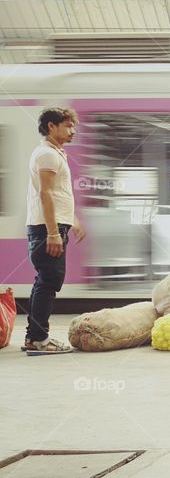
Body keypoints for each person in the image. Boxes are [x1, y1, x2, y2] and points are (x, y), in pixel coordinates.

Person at [22, 108, 86, 354]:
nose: (73, 131)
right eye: (68, 126)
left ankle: (34, 337)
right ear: (52, 126)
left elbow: (57, 194)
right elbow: (45, 194)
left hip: (53, 225)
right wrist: (52, 233)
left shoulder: (54, 154)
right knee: (49, 282)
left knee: (45, 282)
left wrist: (72, 220)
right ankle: (38, 340)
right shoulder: (47, 155)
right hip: (47, 228)